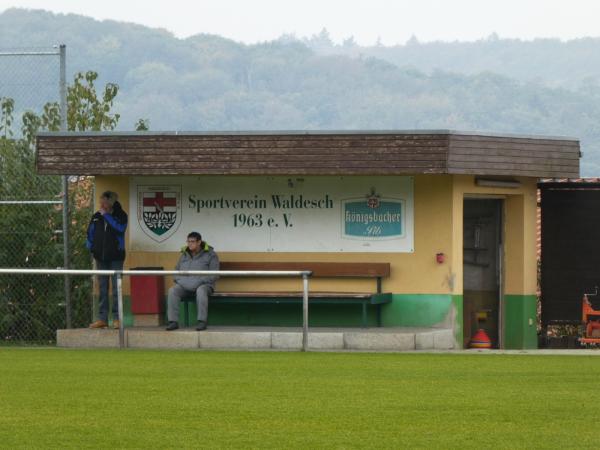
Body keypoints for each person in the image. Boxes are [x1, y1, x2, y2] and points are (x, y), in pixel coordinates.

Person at [86, 191, 128, 329]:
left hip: (116, 256)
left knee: (117, 288)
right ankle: (102, 318)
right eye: (101, 201)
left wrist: (107, 216)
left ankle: (117, 318)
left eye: (104, 201)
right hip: (100, 257)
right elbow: (90, 234)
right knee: (102, 288)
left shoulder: (121, 215)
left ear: (111, 202)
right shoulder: (96, 217)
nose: (101, 204)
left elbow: (120, 228)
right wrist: (92, 249)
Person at [166, 232, 219, 331]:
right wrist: (181, 281)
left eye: (192, 241)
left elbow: (214, 274)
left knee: (201, 291)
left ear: (199, 242)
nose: (190, 244)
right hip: (185, 285)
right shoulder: (184, 255)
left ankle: (201, 322)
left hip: (204, 285)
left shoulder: (211, 255)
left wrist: (198, 281)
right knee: (172, 291)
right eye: (188, 241)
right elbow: (176, 272)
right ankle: (173, 322)